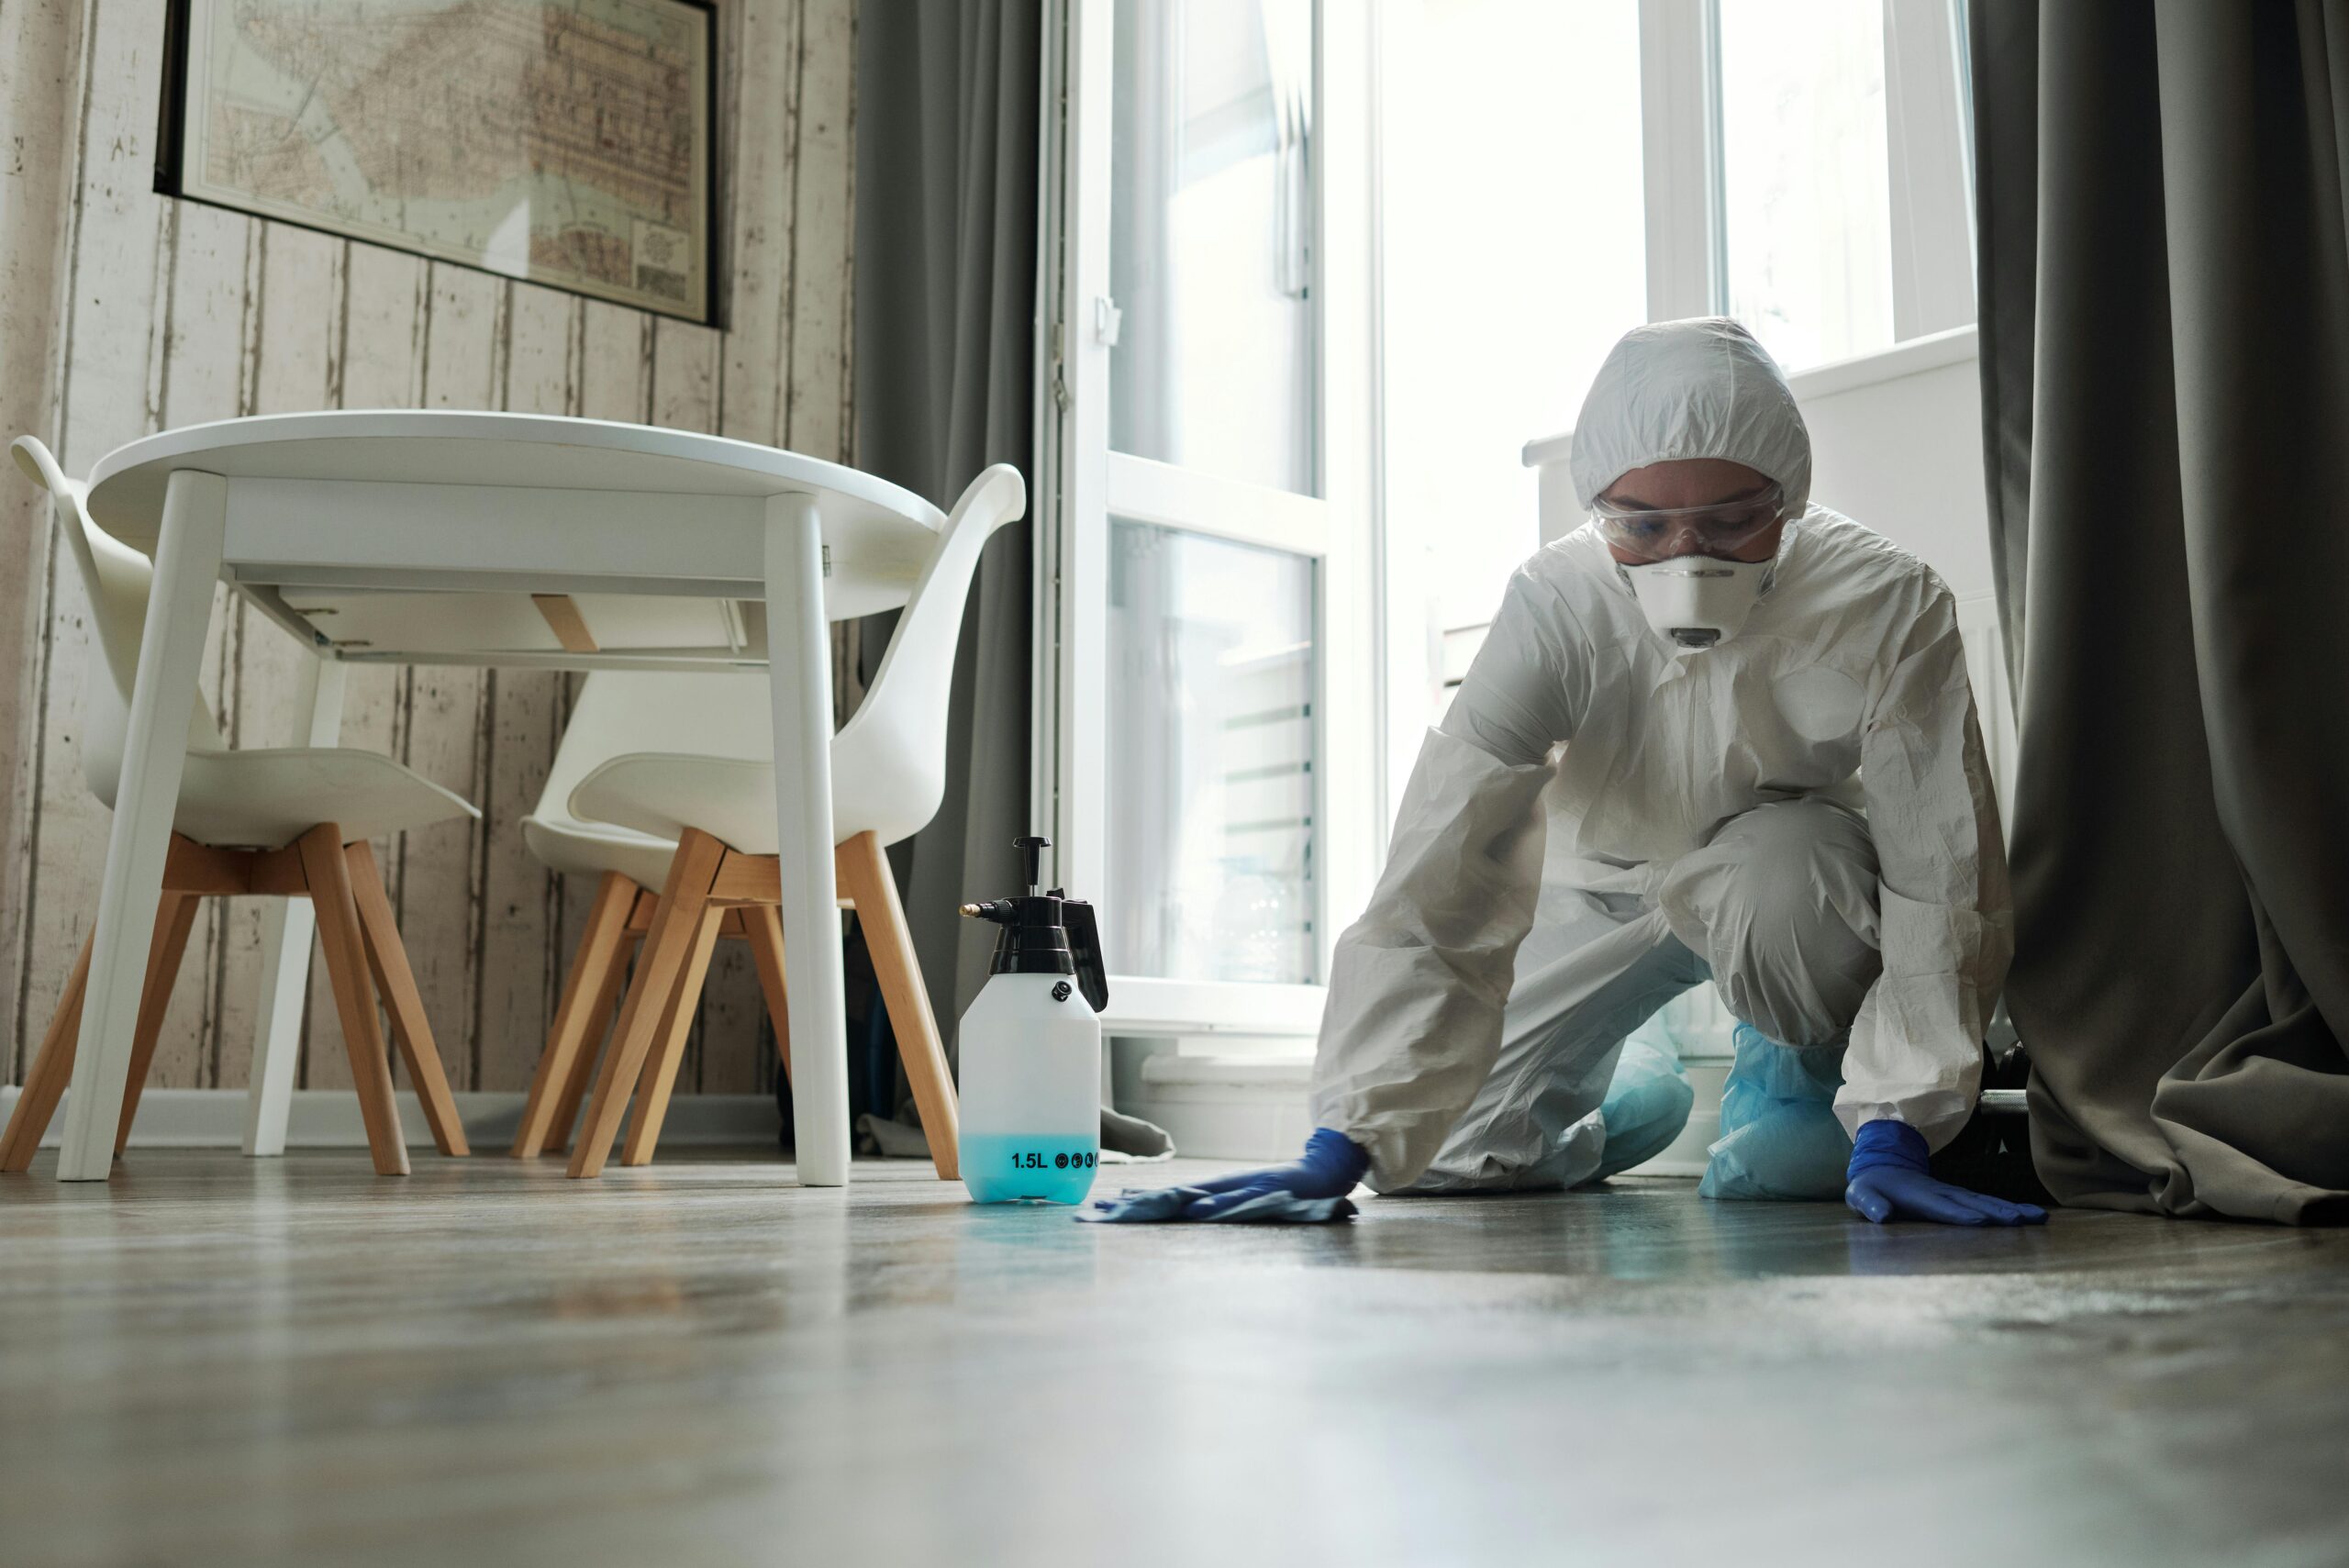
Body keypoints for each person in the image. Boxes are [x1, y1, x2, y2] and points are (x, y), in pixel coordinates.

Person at [1158, 318, 2043, 1226]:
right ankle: (1633, 1076)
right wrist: (1344, 1135)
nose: (1686, 556)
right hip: (1596, 887)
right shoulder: (1556, 603)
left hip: (1785, 886)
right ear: (1599, 510)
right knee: (1443, 1158)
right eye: (1644, 525)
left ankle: (1792, 1074)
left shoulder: (1884, 600)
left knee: (1798, 1128)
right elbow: (1443, 857)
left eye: (1734, 521)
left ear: (1788, 495)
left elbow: (1939, 863)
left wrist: (1900, 1120)